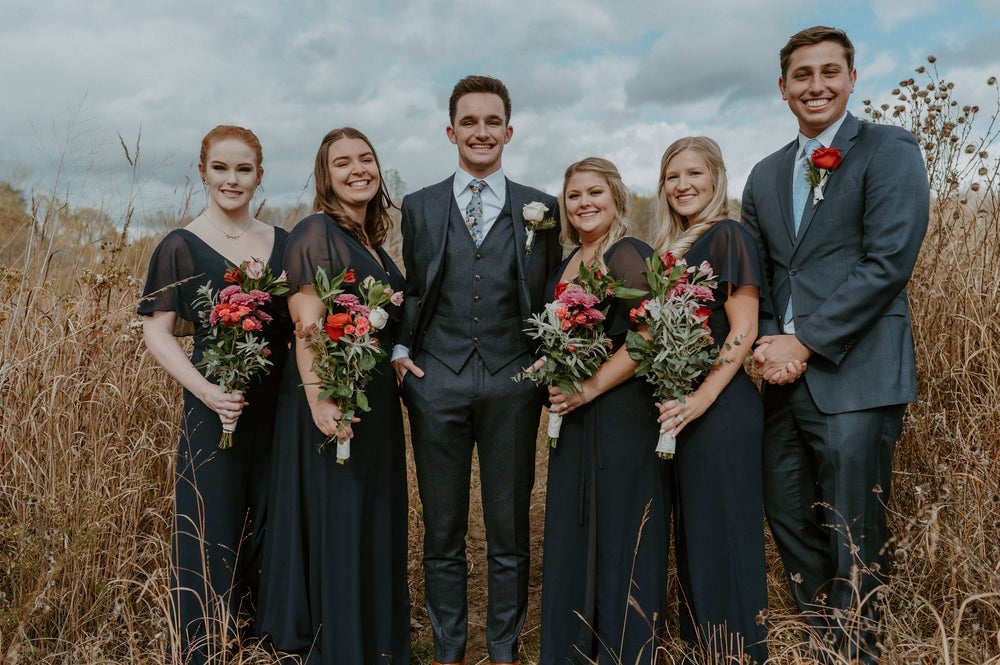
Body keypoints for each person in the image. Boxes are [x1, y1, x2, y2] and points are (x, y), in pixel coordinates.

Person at [741, 26, 929, 661]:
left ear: (852, 79)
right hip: (780, 383)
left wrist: (804, 342)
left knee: (854, 529)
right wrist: (770, 344)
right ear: (783, 88)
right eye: (802, 75)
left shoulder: (889, 148)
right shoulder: (765, 175)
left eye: (829, 72)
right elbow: (761, 276)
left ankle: (860, 652)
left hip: (856, 375)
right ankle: (827, 640)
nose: (815, 85)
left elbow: (888, 262)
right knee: (787, 516)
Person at [392, 75, 561, 665]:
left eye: (493, 122)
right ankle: (449, 650)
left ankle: (504, 650)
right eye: (470, 122)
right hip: (435, 379)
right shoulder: (419, 205)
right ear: (451, 131)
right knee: (442, 531)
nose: (481, 132)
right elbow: (411, 289)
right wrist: (398, 350)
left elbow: (550, 291)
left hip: (513, 379)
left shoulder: (543, 208)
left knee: (509, 530)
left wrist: (552, 356)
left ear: (508, 131)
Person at [257, 128, 410, 664]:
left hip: (374, 401)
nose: (357, 170)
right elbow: (307, 322)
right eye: (342, 162)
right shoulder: (316, 230)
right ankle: (339, 639)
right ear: (326, 175)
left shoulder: (371, 240)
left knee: (369, 512)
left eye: (366, 158)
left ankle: (371, 636)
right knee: (341, 513)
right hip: (334, 396)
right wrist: (321, 398)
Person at [139, 125, 290, 664]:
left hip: (280, 408)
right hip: (213, 406)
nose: (232, 179)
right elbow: (158, 331)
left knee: (277, 520)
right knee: (210, 526)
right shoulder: (179, 245)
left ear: (259, 176)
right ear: (202, 172)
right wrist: (206, 391)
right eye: (221, 168)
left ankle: (270, 642)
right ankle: (204, 648)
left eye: (244, 169)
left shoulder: (286, 242)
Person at [540, 158, 669, 665]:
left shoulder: (627, 252)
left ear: (616, 197)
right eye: (574, 195)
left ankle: (625, 651)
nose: (584, 203)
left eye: (596, 192)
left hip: (619, 414)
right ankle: (574, 648)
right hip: (573, 416)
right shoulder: (567, 260)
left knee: (618, 530)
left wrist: (590, 387)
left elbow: (650, 331)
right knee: (575, 528)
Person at [653, 137, 770, 663]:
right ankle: (705, 650)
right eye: (673, 176)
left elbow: (742, 332)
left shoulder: (728, 235)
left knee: (725, 537)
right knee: (696, 539)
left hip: (720, 409)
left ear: (716, 178)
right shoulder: (665, 251)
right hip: (681, 413)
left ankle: (740, 653)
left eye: (694, 174)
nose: (683, 185)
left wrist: (700, 399)